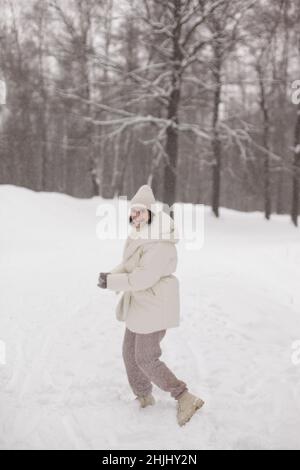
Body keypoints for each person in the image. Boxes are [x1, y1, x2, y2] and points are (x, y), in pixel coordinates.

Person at [98, 185, 204, 426]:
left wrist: (112, 281)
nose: (135, 217)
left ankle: (184, 396)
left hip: (155, 304)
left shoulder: (160, 243)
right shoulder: (140, 235)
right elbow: (128, 266)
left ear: (152, 213)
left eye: (141, 212)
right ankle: (144, 396)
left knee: (146, 357)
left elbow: (142, 278)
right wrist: (109, 276)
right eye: (133, 212)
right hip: (141, 303)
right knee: (129, 354)